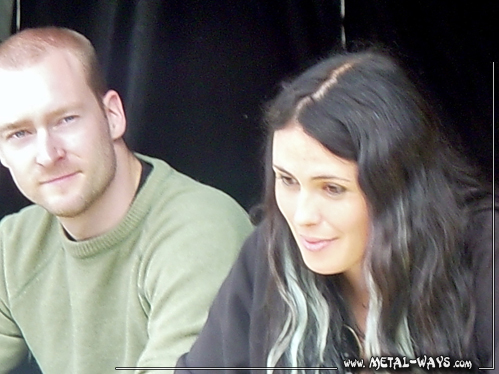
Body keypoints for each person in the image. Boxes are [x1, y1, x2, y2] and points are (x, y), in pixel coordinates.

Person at [175, 50, 496, 373]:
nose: (302, 216)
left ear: (397, 187)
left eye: (332, 188)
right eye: (287, 180)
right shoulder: (268, 254)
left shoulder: (484, 253)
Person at [0, 27, 253, 373]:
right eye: (19, 134)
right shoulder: (13, 245)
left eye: (66, 119)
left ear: (113, 115)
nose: (47, 154)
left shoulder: (200, 232)